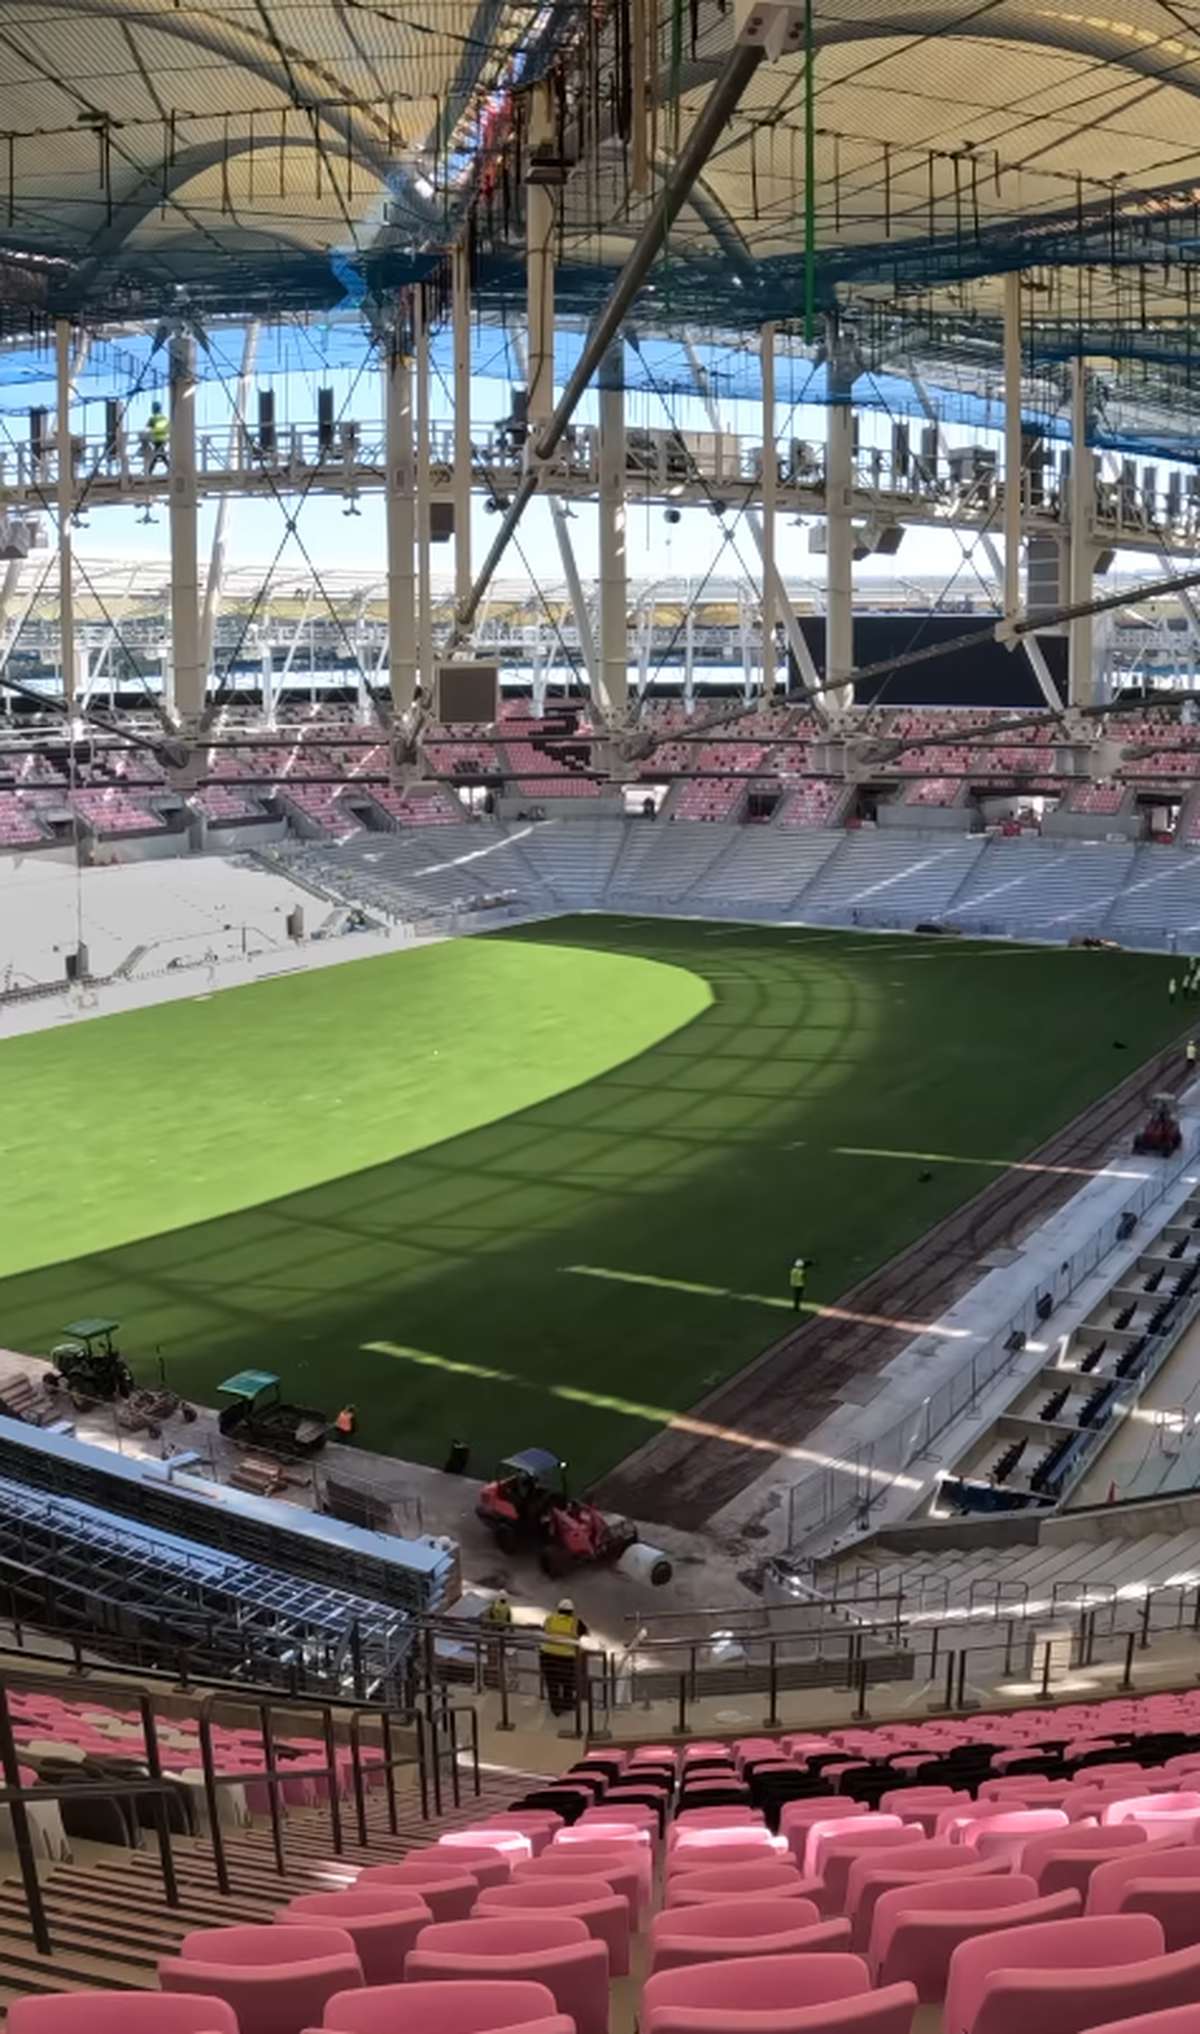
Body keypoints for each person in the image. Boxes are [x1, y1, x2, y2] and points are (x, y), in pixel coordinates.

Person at [541, 1597, 588, 1717]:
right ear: (571, 1611)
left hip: (547, 1655)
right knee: (568, 1682)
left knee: (552, 1683)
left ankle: (556, 1708)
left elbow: (545, 1629)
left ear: (558, 1610)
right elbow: (586, 1632)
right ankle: (568, 1704)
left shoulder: (550, 1619)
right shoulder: (575, 1622)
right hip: (566, 1657)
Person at [145, 401, 169, 474]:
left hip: (156, 439)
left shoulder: (153, 418)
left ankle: (149, 471)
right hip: (163, 439)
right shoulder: (164, 418)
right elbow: (168, 427)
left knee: (156, 455)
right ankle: (169, 467)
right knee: (161, 454)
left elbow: (147, 427)